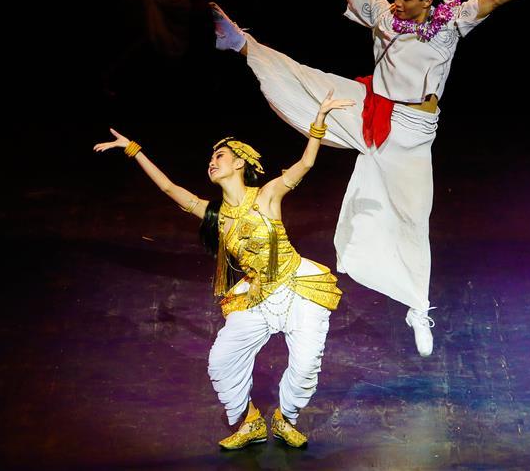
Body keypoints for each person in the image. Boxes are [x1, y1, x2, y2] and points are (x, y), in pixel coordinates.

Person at [210, 0, 530, 357]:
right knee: (315, 83)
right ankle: (242, 43)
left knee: (412, 221)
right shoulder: (382, 15)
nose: (397, 2)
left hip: (412, 134)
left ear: (428, 1)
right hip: (371, 111)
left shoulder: (450, 22)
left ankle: (416, 306)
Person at [93, 89, 354, 449]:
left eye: (220, 156)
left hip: (296, 288)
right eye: (211, 158)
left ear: (239, 163)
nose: (212, 162)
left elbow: (305, 165)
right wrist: (133, 150)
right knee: (220, 361)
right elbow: (170, 188)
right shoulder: (214, 215)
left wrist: (320, 119)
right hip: (256, 297)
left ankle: (284, 418)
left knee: (307, 364)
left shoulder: (267, 195)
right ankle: (249, 423)